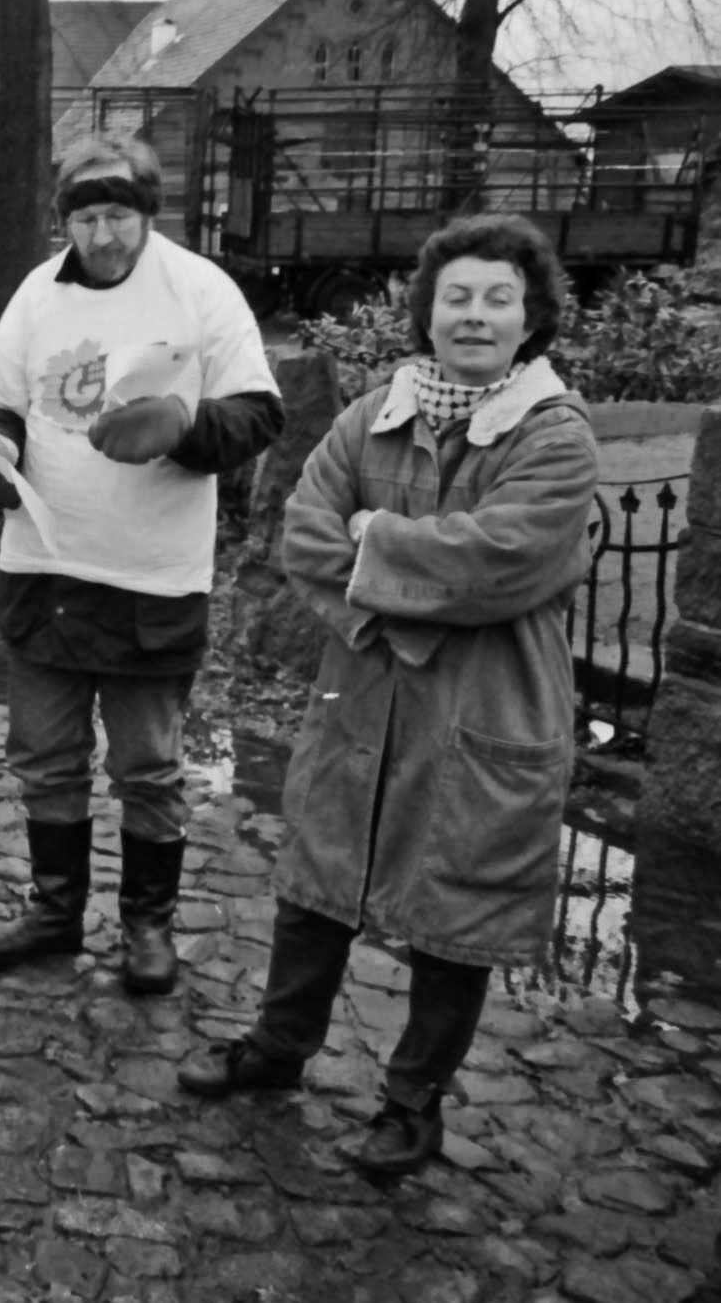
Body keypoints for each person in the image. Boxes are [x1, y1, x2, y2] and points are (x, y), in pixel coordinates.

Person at [177, 215, 597, 1177]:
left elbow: (505, 559)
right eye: (458, 297)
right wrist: (401, 585)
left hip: (485, 708)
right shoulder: (373, 413)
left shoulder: (555, 435)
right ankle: (280, 1049)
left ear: (531, 315)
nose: (476, 316)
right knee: (319, 876)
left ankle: (414, 1103)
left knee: (460, 903)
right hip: (361, 691)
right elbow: (307, 534)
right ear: (428, 309)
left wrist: (378, 548)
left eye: (499, 298)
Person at [0, 132, 282, 994]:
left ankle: (147, 926)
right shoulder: (37, 292)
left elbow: (258, 412)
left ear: (148, 214)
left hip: (151, 575)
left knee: (148, 766)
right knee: (46, 756)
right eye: (86, 217)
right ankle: (55, 910)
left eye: (118, 217)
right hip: (45, 566)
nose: (101, 236)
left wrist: (184, 430)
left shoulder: (200, 289)